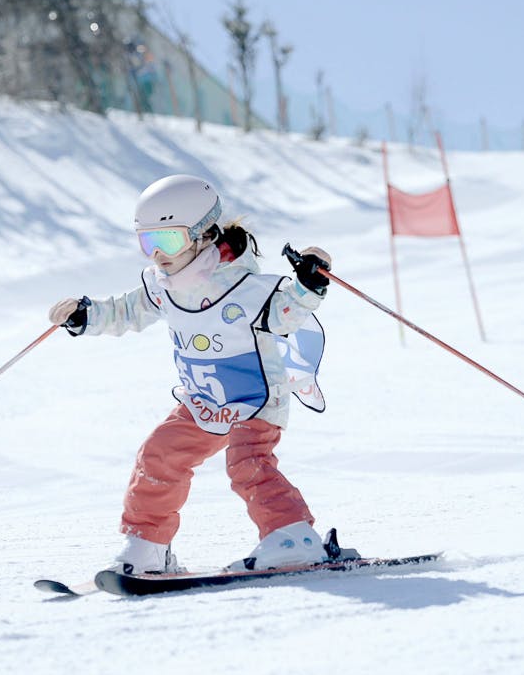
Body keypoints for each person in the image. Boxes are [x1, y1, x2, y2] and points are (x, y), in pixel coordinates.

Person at [48, 174, 333, 574]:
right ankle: (148, 546)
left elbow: (288, 313)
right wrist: (87, 315)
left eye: (168, 241)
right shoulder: (162, 286)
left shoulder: (247, 288)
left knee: (247, 462)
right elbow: (126, 310)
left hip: (253, 400)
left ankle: (292, 536)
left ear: (204, 235)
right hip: (203, 401)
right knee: (159, 455)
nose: (158, 255)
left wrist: (309, 282)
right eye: (148, 242)